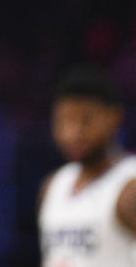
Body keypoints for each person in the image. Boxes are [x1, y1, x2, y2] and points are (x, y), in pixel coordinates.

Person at [39, 65, 136, 266]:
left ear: (114, 116)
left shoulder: (129, 186)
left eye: (85, 120)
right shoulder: (53, 185)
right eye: (64, 121)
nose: (73, 133)